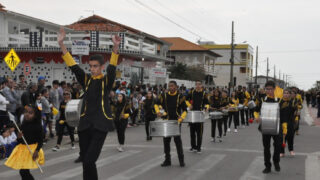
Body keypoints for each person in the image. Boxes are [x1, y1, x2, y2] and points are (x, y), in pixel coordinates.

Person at [58, 26, 120, 180]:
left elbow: (112, 69)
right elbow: (74, 67)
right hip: (85, 124)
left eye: (95, 66)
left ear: (101, 67)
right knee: (86, 162)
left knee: (90, 159)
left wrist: (115, 48)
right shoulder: (86, 80)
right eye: (90, 66)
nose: (92, 69)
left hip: (100, 125)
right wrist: (61, 44)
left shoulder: (106, 81)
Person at [5, 104, 45, 180]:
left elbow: (40, 140)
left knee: (23, 172)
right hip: (23, 149)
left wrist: (37, 151)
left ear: (35, 115)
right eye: (26, 112)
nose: (27, 114)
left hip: (32, 150)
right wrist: (19, 137)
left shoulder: (38, 126)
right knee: (23, 172)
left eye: (30, 113)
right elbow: (20, 140)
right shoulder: (23, 125)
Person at [155, 81, 187, 167]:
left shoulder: (180, 97)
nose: (170, 87)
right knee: (166, 142)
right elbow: (156, 104)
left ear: (176, 87)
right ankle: (167, 160)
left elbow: (185, 110)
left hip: (176, 122)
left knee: (177, 142)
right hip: (166, 121)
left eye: (172, 86)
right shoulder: (163, 95)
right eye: (169, 86)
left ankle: (181, 160)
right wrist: (158, 111)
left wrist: (181, 118)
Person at [254, 81, 283, 174]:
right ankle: (267, 166)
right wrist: (257, 117)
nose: (269, 91)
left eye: (271, 89)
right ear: (265, 89)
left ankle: (276, 161)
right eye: (267, 89)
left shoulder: (279, 99)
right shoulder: (262, 99)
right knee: (266, 147)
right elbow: (256, 110)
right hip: (265, 126)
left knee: (278, 146)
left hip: (277, 126)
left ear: (274, 89)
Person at [185, 80, 209, 153]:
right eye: (197, 84)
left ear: (201, 85)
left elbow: (207, 103)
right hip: (192, 114)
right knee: (192, 132)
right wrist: (189, 105)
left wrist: (205, 109)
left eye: (199, 84)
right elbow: (185, 100)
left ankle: (198, 147)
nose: (198, 86)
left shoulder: (204, 93)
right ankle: (193, 146)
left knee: (199, 133)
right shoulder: (192, 92)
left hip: (200, 114)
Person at [280, 89, 295, 157]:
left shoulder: (292, 102)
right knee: (282, 138)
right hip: (282, 122)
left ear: (289, 94)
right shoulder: (280, 102)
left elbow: (295, 110)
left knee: (290, 136)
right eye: (285, 93)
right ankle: (282, 152)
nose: (286, 94)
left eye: (287, 93)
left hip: (290, 122)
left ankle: (291, 150)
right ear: (283, 94)